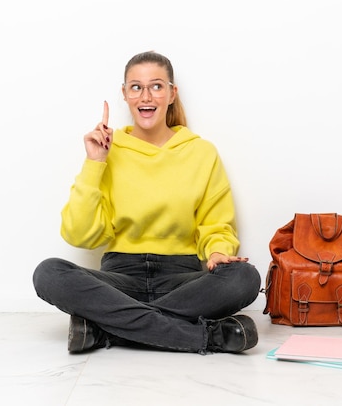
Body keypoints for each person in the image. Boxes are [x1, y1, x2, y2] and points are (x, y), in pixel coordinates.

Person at [33, 51, 261, 355]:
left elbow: (216, 223)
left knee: (244, 278)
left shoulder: (202, 153)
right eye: (136, 87)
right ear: (125, 95)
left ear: (171, 93)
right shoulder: (108, 151)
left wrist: (219, 252)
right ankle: (206, 337)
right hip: (120, 277)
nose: (146, 96)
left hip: (181, 279)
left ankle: (106, 330)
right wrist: (95, 163)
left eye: (156, 86)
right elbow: (80, 235)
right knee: (48, 273)